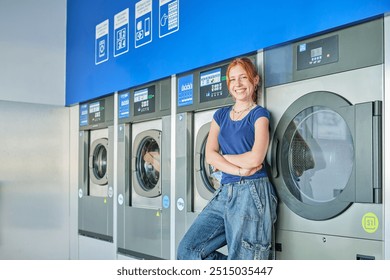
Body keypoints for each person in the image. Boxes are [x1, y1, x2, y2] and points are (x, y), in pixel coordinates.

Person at [177, 57, 278, 260]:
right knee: (187, 252)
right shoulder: (221, 115)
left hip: (253, 192)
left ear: (255, 80)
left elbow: (256, 158)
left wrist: (224, 158)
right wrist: (238, 170)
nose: (238, 84)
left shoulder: (259, 115)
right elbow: (209, 155)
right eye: (232, 80)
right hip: (225, 191)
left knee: (243, 259)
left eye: (243, 77)